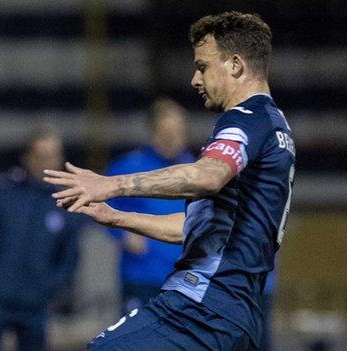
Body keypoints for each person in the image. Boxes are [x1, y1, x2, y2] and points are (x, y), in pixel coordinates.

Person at [44, 12, 295, 350]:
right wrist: (118, 217)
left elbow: (207, 176)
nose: (194, 79)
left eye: (203, 66)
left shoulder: (247, 120)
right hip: (234, 312)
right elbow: (196, 226)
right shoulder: (272, 126)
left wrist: (111, 184)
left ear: (235, 65)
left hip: (202, 306)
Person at [0, 125, 84, 351]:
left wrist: (50, 285)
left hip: (36, 303)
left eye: (53, 156)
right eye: (41, 156)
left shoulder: (65, 202)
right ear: (27, 157)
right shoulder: (0, 193)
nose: (47, 162)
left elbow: (70, 254)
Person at [105, 98, 194, 315]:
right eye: (167, 134)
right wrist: (121, 236)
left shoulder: (194, 169)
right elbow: (99, 202)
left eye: (178, 133)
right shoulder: (130, 166)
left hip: (183, 277)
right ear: (153, 132)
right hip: (141, 275)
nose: (173, 140)